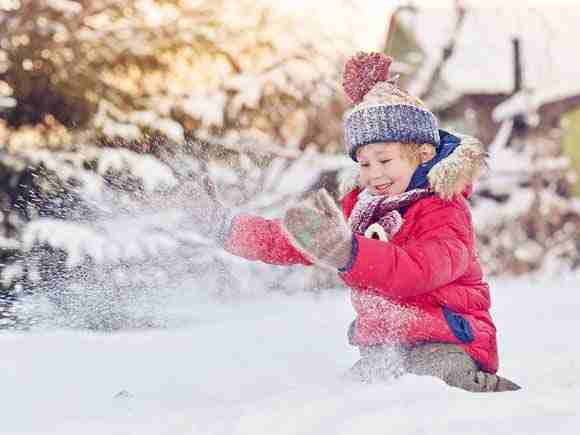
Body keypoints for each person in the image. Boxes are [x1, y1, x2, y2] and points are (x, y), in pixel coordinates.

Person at [190, 52, 520, 392]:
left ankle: (486, 395)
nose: (374, 173)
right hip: (384, 346)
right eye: (364, 164)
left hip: (449, 339)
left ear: (422, 154)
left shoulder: (444, 211)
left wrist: (350, 252)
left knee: (436, 379)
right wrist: (226, 228)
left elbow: (418, 271)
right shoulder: (362, 209)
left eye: (384, 160)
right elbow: (294, 239)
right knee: (352, 393)